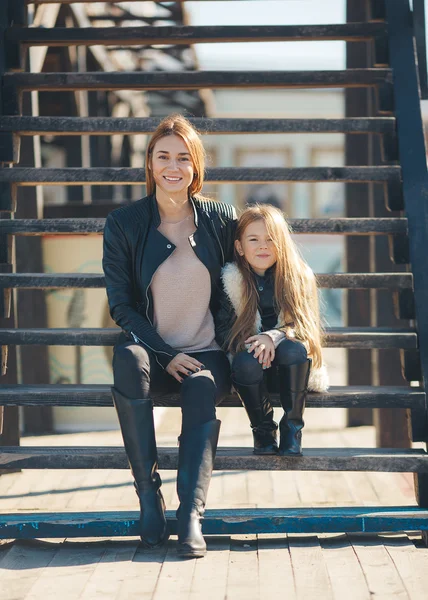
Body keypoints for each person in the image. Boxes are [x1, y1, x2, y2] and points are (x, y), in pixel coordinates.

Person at [103, 114, 237, 558]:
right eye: (164, 156)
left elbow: (253, 279)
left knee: (200, 385)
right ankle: (148, 496)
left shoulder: (221, 219)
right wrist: (163, 353)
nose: (173, 166)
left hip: (207, 354)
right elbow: (121, 305)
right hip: (153, 353)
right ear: (150, 164)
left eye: (183, 157)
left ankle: (191, 516)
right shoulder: (125, 223)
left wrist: (274, 334)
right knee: (127, 358)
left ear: (196, 166)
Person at [215, 204, 329, 457]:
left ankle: (292, 429)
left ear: (282, 243)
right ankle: (263, 430)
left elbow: (305, 325)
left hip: (292, 372)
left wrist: (273, 336)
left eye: (270, 239)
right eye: (253, 239)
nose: (263, 246)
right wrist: (257, 344)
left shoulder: (297, 276)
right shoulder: (230, 280)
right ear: (240, 247)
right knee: (245, 362)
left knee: (292, 349)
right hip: (252, 374)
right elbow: (224, 332)